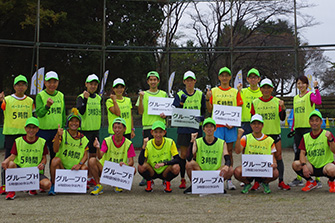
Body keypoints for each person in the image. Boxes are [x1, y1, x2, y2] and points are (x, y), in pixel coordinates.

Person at [206, 66, 243, 190]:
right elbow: (210, 109)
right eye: (222, 75)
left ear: (230, 77)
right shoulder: (214, 91)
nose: (225, 77)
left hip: (230, 127)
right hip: (217, 127)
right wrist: (208, 98)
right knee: (216, 153)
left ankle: (229, 179)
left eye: (227, 75)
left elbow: (239, 108)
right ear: (219, 77)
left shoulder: (234, 91)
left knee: (229, 153)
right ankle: (215, 179)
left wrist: (234, 121)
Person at [250, 78, 290, 190]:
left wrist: (283, 107)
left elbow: (282, 118)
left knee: (278, 156)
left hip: (274, 133)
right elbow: (253, 119)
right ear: (260, 89)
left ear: (272, 89)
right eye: (264, 88)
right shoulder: (255, 102)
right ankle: (257, 182)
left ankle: (281, 181)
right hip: (261, 135)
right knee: (259, 158)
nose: (266, 90)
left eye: (268, 87)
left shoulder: (278, 101)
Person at [1, 117, 51, 200]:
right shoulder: (18, 141)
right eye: (29, 127)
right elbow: (12, 156)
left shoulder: (42, 142)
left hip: (34, 172)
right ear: (25, 128)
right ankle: (11, 191)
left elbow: (44, 158)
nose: (31, 130)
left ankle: (31, 186)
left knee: (47, 185)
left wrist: (42, 163)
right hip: (20, 170)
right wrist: (5, 161)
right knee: (11, 163)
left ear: (37, 129)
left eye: (34, 127)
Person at [0, 75, 34, 195]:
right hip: (11, 134)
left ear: (26, 86)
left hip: (25, 134)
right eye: (18, 85)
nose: (20, 87)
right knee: (8, 159)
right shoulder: (7, 99)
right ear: (14, 86)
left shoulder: (30, 101)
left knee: (25, 159)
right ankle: (4, 184)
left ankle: (25, 184)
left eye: (23, 85)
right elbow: (2, 107)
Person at [172, 71, 206, 189]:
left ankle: (196, 179)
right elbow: (175, 112)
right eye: (188, 80)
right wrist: (181, 104)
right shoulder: (179, 94)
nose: (190, 82)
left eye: (192, 80)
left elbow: (204, 112)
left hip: (196, 128)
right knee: (184, 154)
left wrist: (200, 118)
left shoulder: (200, 95)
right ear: (184, 82)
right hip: (183, 129)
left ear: (195, 81)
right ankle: (182, 179)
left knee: (196, 154)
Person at [184, 118, 234, 194]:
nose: (209, 128)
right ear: (203, 129)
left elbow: (227, 157)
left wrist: (227, 165)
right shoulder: (198, 141)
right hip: (200, 171)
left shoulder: (222, 142)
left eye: (211, 126)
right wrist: (191, 142)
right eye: (207, 126)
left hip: (215, 173)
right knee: (189, 164)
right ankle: (195, 185)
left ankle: (217, 185)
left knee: (230, 169)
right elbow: (188, 158)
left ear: (215, 129)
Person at [288, 76, 322, 187]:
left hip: (308, 129)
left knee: (311, 155)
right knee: (298, 154)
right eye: (298, 83)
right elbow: (296, 114)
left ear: (307, 85)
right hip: (298, 130)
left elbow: (318, 101)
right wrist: (293, 128)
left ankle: (317, 179)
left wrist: (316, 88)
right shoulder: (295, 98)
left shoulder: (310, 95)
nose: (300, 85)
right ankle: (300, 178)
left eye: (303, 83)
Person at [136, 71, 168, 186]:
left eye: (155, 79)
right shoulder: (143, 94)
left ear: (158, 81)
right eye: (151, 79)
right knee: (146, 153)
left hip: (161, 127)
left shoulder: (163, 94)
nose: (153, 81)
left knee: (164, 152)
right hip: (148, 127)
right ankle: (147, 177)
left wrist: (165, 115)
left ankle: (165, 176)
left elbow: (168, 110)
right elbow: (140, 111)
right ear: (148, 81)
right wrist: (140, 98)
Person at [89, 118, 136, 195]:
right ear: (112, 129)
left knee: (133, 169)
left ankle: (118, 184)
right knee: (92, 160)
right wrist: (97, 148)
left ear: (125, 129)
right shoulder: (107, 140)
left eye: (120, 128)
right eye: (115, 128)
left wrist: (126, 165)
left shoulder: (128, 143)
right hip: (105, 170)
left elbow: (131, 161)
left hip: (119, 171)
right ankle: (98, 185)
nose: (117, 130)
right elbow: (100, 156)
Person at [234, 114, 279, 194]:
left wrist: (274, 164)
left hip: (262, 169)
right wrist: (238, 137)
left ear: (262, 125)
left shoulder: (269, 140)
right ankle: (247, 184)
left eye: (258, 124)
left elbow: (273, 157)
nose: (256, 126)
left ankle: (265, 183)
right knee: (237, 171)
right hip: (250, 169)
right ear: (251, 125)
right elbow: (237, 151)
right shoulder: (246, 138)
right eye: (254, 124)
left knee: (275, 173)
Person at [48, 108, 89, 195]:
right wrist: (58, 135)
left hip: (75, 169)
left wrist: (79, 164)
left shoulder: (83, 138)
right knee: (55, 160)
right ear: (68, 123)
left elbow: (85, 155)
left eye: (76, 121)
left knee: (84, 167)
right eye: (71, 121)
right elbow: (55, 150)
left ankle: (79, 185)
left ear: (79, 124)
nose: (74, 123)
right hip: (62, 168)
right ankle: (54, 185)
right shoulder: (62, 134)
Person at [292, 110, 335, 193]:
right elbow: (302, 153)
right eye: (312, 120)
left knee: (333, 169)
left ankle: (331, 181)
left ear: (321, 122)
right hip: (312, 166)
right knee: (296, 164)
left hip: (326, 166)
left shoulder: (327, 134)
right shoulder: (306, 137)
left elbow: (334, 151)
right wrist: (304, 166)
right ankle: (311, 182)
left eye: (316, 120)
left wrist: (331, 140)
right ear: (309, 122)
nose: (314, 122)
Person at [138, 121, 180, 193]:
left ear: (164, 132)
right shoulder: (148, 143)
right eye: (156, 132)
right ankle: (149, 181)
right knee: (141, 167)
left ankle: (167, 181)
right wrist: (144, 146)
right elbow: (140, 161)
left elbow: (177, 159)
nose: (158, 134)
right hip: (152, 170)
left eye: (160, 132)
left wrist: (164, 163)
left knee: (176, 167)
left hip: (165, 171)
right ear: (152, 132)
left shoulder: (170, 142)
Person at [35, 71, 66, 166]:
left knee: (55, 157)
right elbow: (39, 113)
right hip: (43, 131)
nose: (52, 84)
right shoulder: (40, 96)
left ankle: (54, 180)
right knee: (41, 157)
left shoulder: (61, 95)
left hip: (56, 132)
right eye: (49, 82)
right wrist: (47, 106)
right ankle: (41, 178)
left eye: (54, 82)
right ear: (44, 83)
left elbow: (63, 114)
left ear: (58, 82)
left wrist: (63, 128)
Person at [76, 74, 102, 187]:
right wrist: (85, 100)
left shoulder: (98, 98)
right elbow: (81, 111)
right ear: (86, 84)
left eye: (95, 84)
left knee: (93, 155)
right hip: (84, 131)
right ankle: (81, 179)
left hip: (95, 130)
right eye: (91, 84)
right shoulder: (81, 97)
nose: (93, 86)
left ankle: (91, 177)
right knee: (83, 155)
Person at [240, 68, 262, 135]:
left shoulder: (262, 92)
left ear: (259, 79)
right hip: (245, 122)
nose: (253, 79)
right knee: (244, 144)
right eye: (251, 77)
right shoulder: (242, 91)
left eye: (255, 77)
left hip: (259, 122)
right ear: (247, 79)